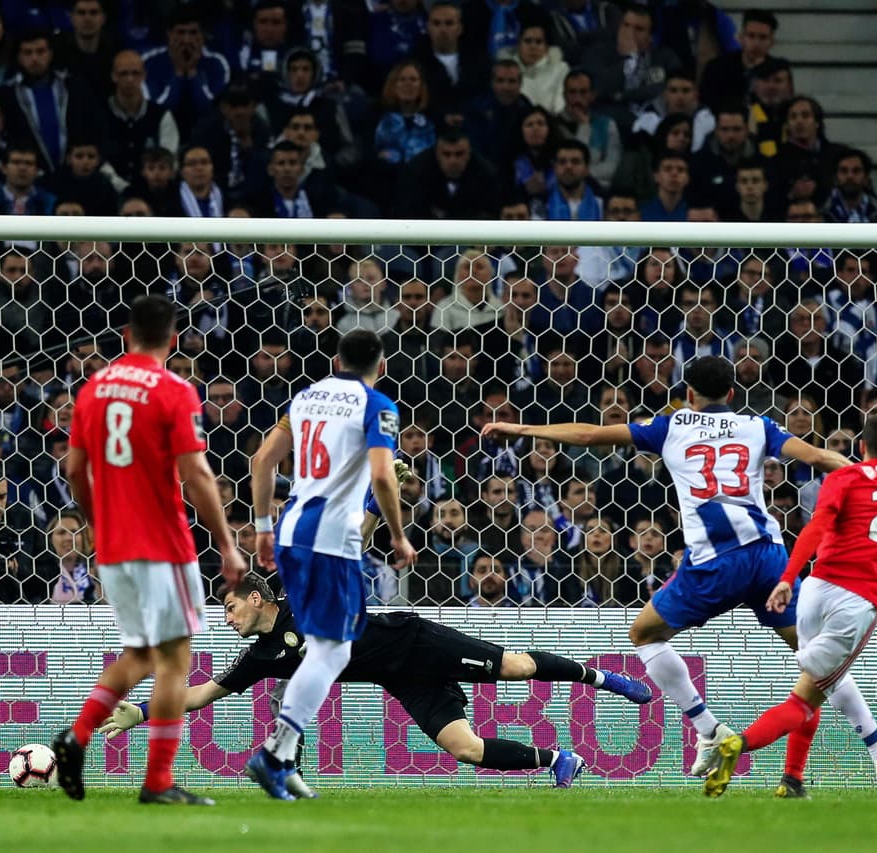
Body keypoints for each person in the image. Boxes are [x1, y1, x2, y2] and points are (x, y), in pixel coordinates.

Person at [481, 356, 877, 788]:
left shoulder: (670, 425)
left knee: (645, 634)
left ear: (688, 393)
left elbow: (589, 434)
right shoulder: (758, 426)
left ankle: (708, 729)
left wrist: (522, 430)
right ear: (732, 392)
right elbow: (821, 457)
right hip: (768, 556)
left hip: (714, 560)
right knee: (823, 663)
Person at [96, 574, 655, 788]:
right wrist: (142, 712)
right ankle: (557, 760)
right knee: (464, 748)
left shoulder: (302, 598)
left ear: (258, 598)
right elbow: (201, 694)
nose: (227, 618)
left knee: (517, 667)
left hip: (415, 641)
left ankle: (603, 677)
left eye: (230, 607)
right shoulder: (261, 655)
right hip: (400, 678)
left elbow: (344, 553)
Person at [50, 294, 247, 807]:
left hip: (114, 547)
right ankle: (158, 781)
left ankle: (77, 736)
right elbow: (196, 473)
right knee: (174, 661)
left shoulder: (94, 388)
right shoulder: (174, 390)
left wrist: (96, 525)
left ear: (125, 335)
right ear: (174, 339)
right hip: (162, 544)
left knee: (140, 653)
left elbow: (74, 470)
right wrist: (226, 544)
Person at [704, 411, 877, 799]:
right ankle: (736, 744)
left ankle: (793, 780)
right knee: (804, 699)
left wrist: (788, 578)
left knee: (819, 685)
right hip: (856, 603)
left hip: (815, 590)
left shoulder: (845, 476)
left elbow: (818, 526)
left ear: (861, 446)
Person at [243, 329, 416, 799]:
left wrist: (262, 526)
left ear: (337, 361)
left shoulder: (304, 399)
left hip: (290, 530)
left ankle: (281, 758)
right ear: (380, 365)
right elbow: (383, 475)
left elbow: (262, 461)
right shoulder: (378, 405)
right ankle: (275, 754)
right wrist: (399, 534)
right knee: (334, 651)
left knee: (323, 647)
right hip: (331, 538)